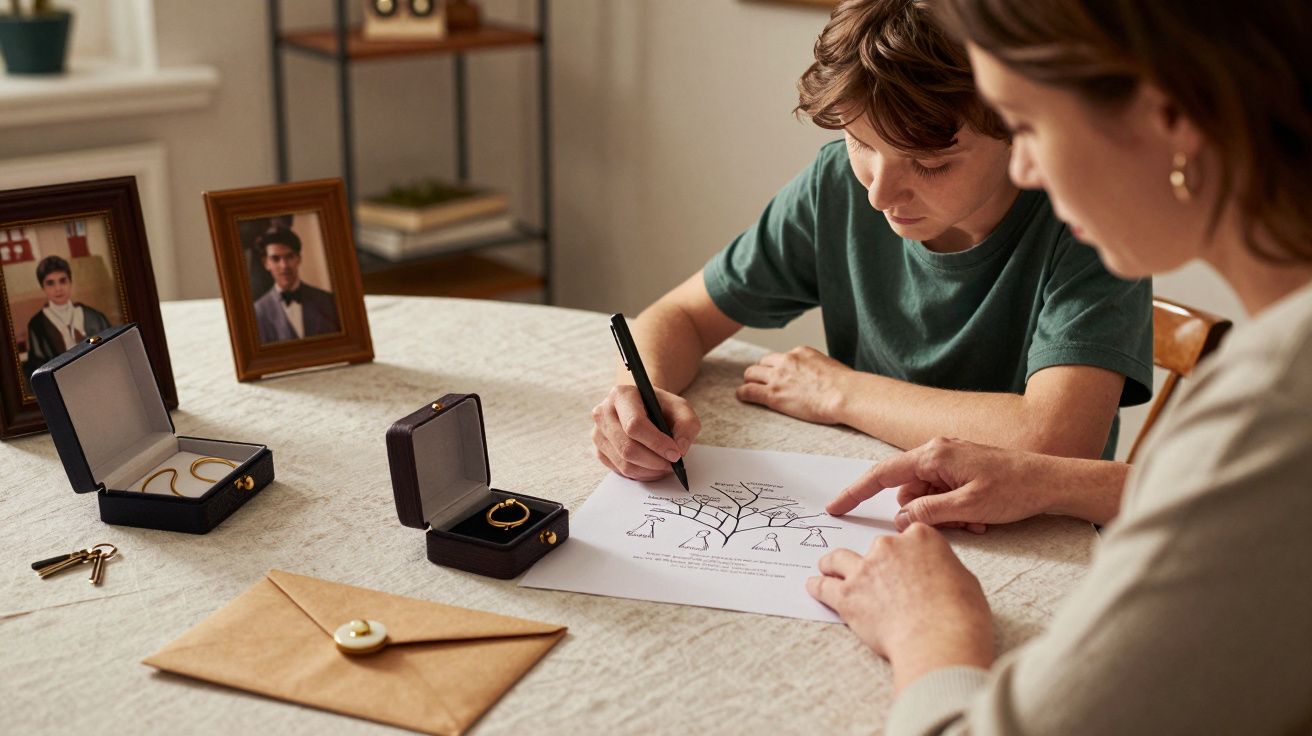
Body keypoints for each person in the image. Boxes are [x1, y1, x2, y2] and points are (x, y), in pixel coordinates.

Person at [811, 1, 1312, 733]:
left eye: (1026, 122)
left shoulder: (1277, 400)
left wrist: (931, 629)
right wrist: (1063, 479)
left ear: (1168, 114)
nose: (1022, 167)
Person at [591, 0, 1154, 485]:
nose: (881, 194)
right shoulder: (837, 184)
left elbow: (1056, 440)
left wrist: (840, 393)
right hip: (875, 497)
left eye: (930, 163)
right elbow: (683, 315)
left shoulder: (1086, 217)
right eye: (860, 143)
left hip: (1043, 534)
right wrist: (638, 397)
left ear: (1020, 130)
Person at [24, 255, 111, 384]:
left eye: (62, 281)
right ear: (43, 287)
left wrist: (89, 342)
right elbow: (38, 364)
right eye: (50, 283)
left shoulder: (93, 316)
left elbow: (105, 343)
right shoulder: (37, 325)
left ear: (70, 282)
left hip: (99, 378)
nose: (58, 288)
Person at [251, 227, 341, 344]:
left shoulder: (328, 301)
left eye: (289, 256)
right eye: (275, 259)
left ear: (298, 259)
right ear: (266, 264)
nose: (284, 266)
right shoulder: (258, 312)